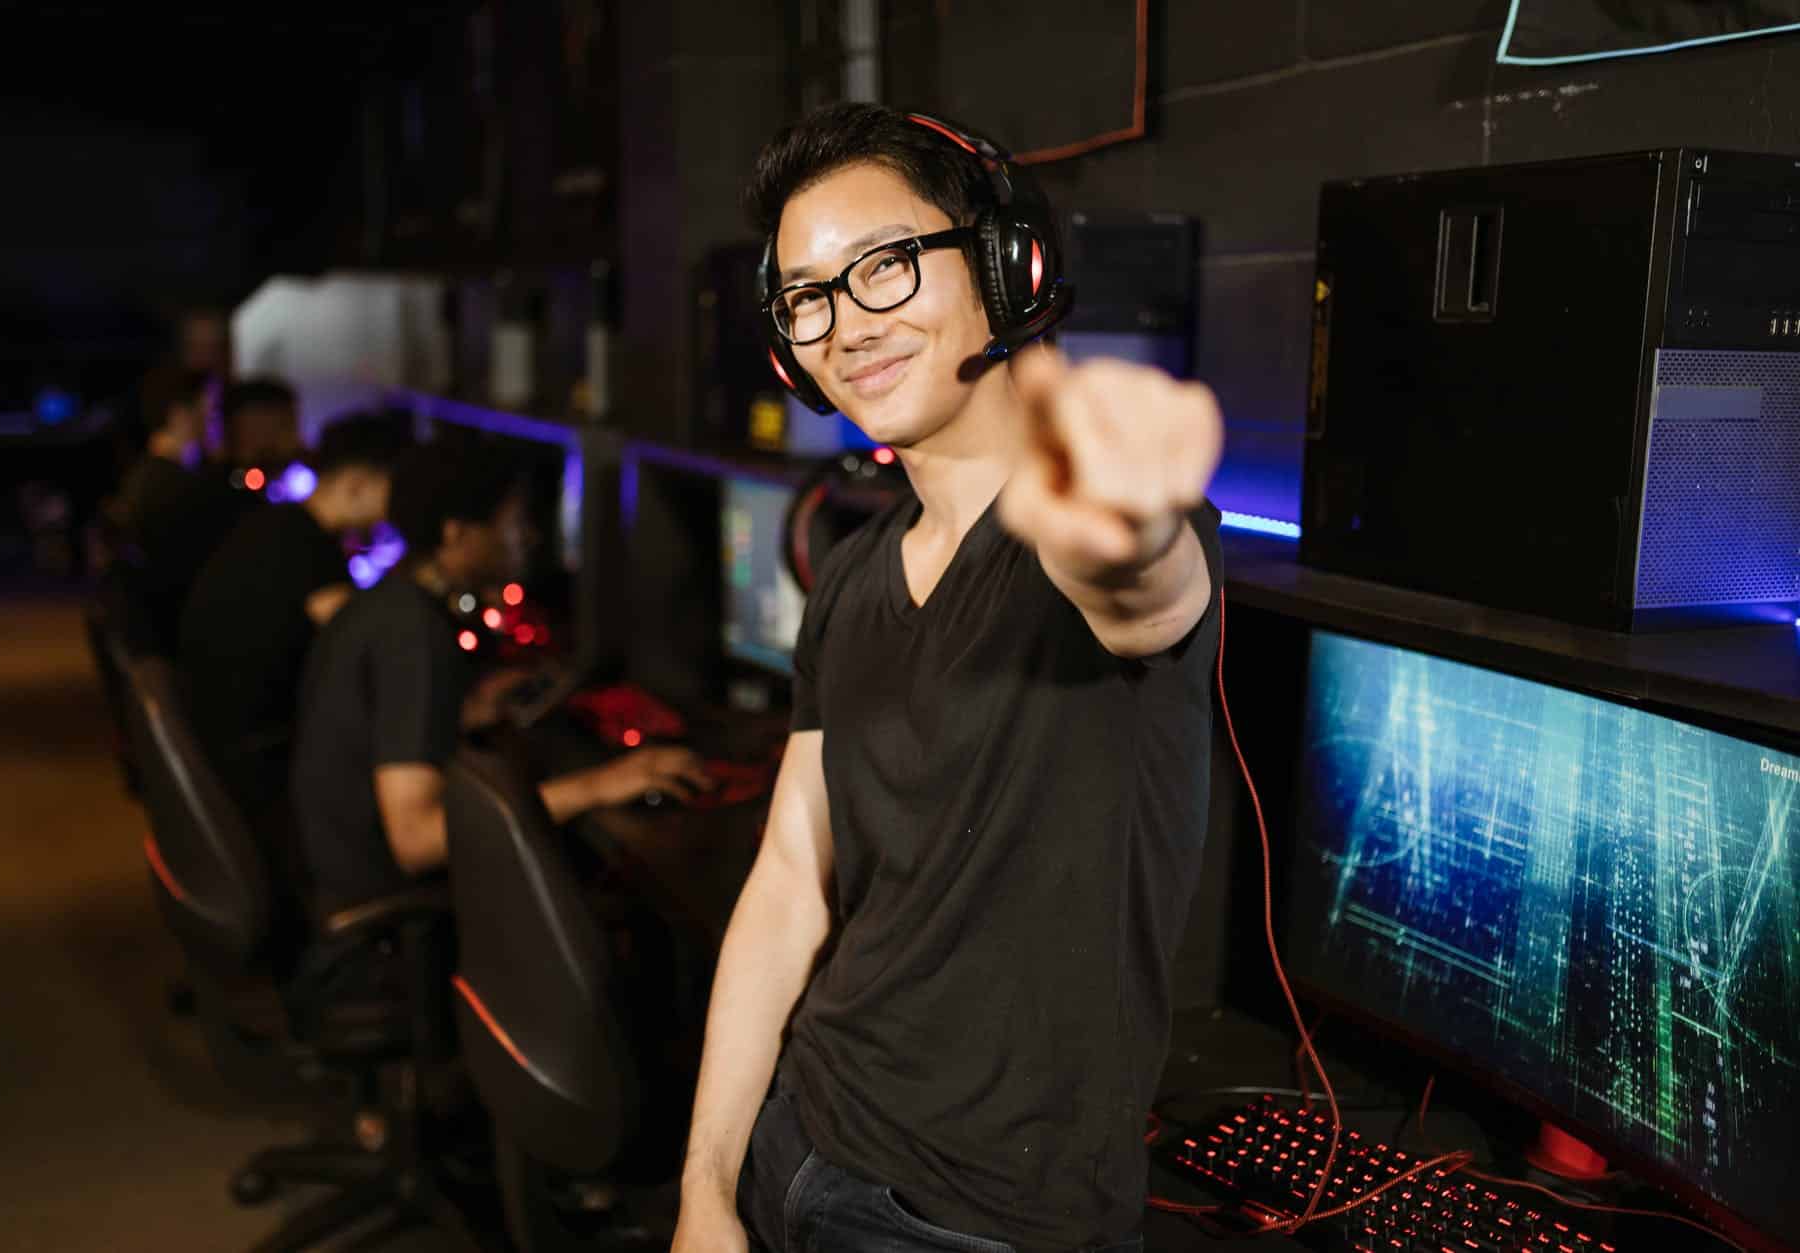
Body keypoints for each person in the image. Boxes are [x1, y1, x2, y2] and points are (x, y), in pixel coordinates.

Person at [672, 104, 1226, 1253]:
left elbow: (1142, 593)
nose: (843, 323)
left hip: (976, 1219)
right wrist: (704, 1185)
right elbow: (788, 879)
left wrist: (1122, 524)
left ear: (1001, 262)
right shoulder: (851, 577)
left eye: (881, 267)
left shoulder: (1107, 541)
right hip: (798, 1144)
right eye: (808, 296)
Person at [290, 443, 716, 920]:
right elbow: (418, 838)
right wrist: (601, 784)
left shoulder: (389, 604)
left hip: (339, 888)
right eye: (512, 522)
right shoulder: (414, 635)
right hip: (386, 922)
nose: (529, 537)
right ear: (457, 534)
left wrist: (464, 710)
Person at [178, 412, 410, 850]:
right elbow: (365, 651)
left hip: (220, 743)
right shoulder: (307, 549)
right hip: (258, 763)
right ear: (359, 482)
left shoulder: (278, 524)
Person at [102, 365, 237, 655]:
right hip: (180, 641)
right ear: (180, 415)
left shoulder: (144, 477)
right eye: (210, 411)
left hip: (155, 637)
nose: (217, 424)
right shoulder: (179, 488)